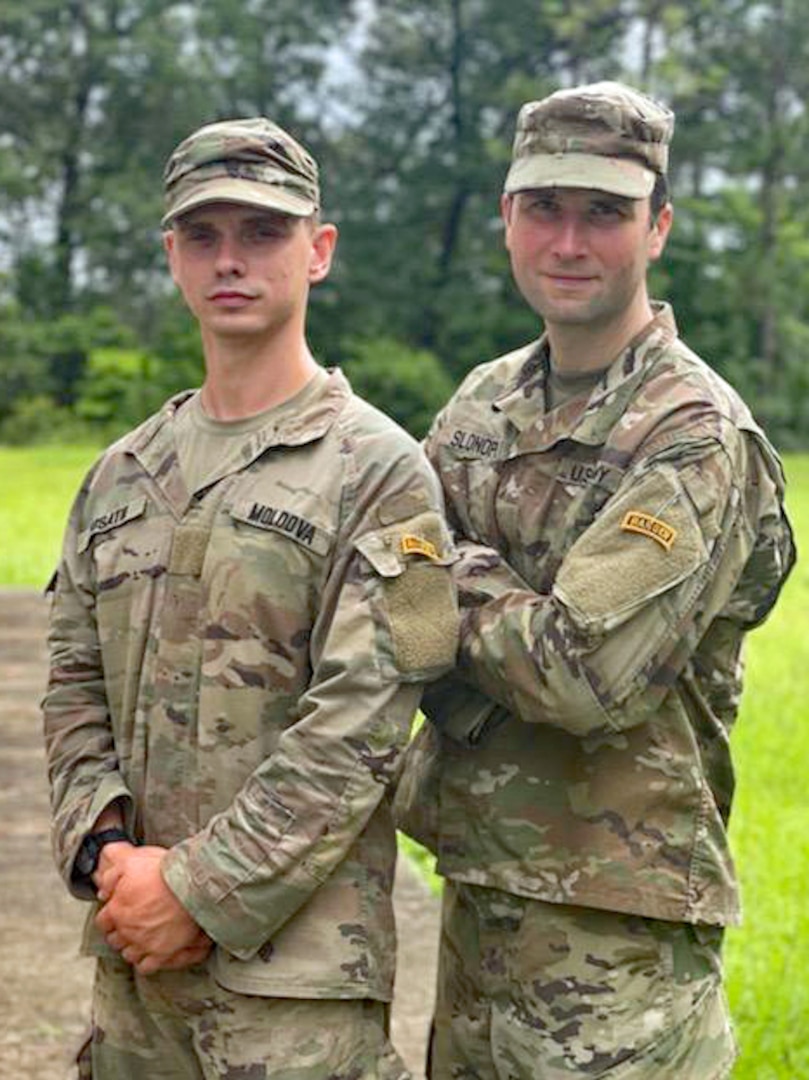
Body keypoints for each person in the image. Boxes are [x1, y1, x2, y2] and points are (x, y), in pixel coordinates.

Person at [43, 116, 459, 1079]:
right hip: (133, 977)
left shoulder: (384, 474)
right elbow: (70, 683)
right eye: (203, 235)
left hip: (294, 992)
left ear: (317, 251)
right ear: (172, 257)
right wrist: (106, 850)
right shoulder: (121, 474)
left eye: (263, 233)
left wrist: (196, 890)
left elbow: (364, 724)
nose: (230, 259)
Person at [395, 81, 796, 1079]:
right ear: (506, 219)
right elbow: (375, 590)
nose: (567, 240)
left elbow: (578, 675)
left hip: (617, 936)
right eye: (543, 207)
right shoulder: (482, 402)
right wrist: (428, 584)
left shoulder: (691, 433)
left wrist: (440, 568)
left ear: (655, 227)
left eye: (604, 212)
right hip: (477, 899)